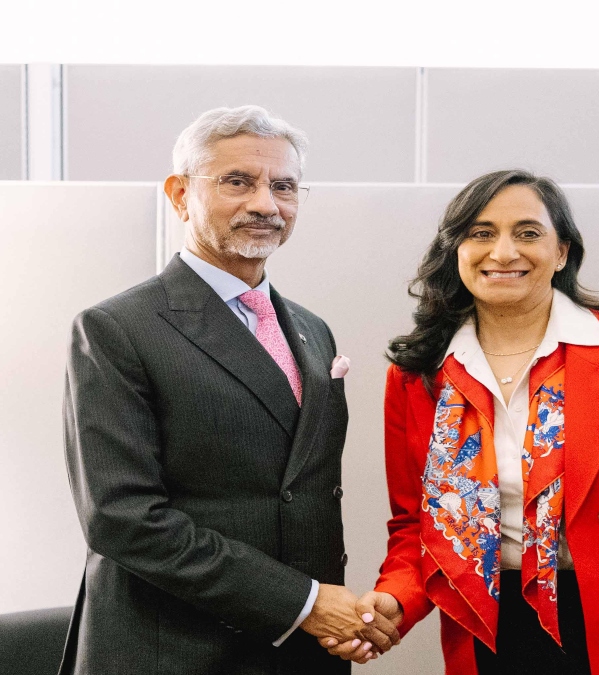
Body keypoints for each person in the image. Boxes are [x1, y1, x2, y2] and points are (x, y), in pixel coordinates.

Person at [322, 169, 599, 674]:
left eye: (527, 233)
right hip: (491, 631)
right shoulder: (419, 375)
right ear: (455, 250)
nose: (503, 253)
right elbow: (419, 528)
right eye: (481, 233)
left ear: (562, 251)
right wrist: (393, 603)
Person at [58, 105, 398, 675]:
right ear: (179, 193)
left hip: (300, 653)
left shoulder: (312, 330)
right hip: (172, 651)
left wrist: (334, 617)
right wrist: (306, 604)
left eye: (284, 186)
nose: (266, 204)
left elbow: (301, 492)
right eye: (237, 182)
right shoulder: (118, 328)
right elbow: (121, 517)